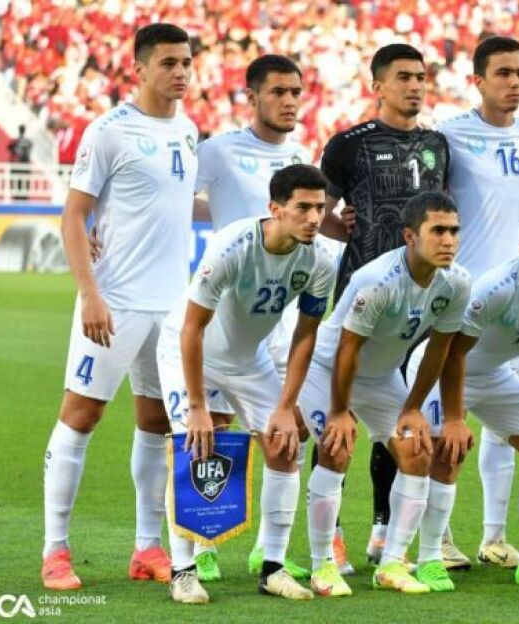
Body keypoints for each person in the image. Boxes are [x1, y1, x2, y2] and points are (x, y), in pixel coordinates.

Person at [41, 23, 197, 591]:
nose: (180, 72)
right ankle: (55, 550)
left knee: (156, 423)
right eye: (168, 63)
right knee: (82, 414)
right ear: (139, 68)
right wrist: (90, 293)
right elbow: (73, 214)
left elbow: (175, 205)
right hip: (116, 301)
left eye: (186, 63)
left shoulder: (188, 129)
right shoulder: (108, 131)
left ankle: (147, 547)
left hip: (171, 306)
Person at [157, 164, 335, 603]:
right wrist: (197, 406)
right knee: (194, 448)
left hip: (248, 360)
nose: (315, 218)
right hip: (189, 353)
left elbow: (305, 336)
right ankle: (183, 571)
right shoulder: (233, 245)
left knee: (284, 446)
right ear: (275, 209)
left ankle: (273, 567)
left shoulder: (319, 260)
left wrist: (286, 405)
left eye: (320, 207)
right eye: (303, 207)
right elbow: (192, 328)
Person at [190, 53, 335, 581]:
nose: (290, 101)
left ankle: (266, 552)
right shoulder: (218, 150)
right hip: (224, 309)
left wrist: (343, 226)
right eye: (278, 91)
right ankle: (202, 542)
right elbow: (175, 198)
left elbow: (312, 224)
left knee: (287, 432)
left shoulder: (300, 156)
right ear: (252, 96)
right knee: (214, 431)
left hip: (277, 316)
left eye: (296, 92)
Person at [408, 209, 519, 591]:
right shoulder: (494, 289)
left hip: (493, 375)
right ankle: (429, 558)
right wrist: (455, 419)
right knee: (447, 455)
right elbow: (453, 354)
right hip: (442, 370)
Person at [318, 43, 451, 566]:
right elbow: (318, 212)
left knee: (394, 417)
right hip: (363, 292)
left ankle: (382, 526)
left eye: (421, 77)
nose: (415, 86)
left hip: (416, 301)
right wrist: (343, 230)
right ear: (378, 86)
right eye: (403, 77)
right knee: (340, 409)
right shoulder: (348, 145)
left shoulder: (437, 144)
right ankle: (330, 534)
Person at [301, 191, 469, 597]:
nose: (448, 240)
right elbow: (347, 350)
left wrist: (413, 407)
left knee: (418, 451)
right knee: (336, 450)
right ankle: (323, 565)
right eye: (438, 231)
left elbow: (441, 351)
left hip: (380, 378)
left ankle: (391, 563)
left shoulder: (456, 283)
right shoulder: (376, 280)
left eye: (454, 231)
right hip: (327, 371)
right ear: (410, 236)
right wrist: (340, 411)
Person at [435, 35, 519, 570]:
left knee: (504, 432)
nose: (514, 82)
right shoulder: (450, 134)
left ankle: (495, 538)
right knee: (445, 427)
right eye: (503, 73)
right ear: (478, 81)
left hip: (516, 305)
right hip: (460, 301)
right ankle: (435, 539)